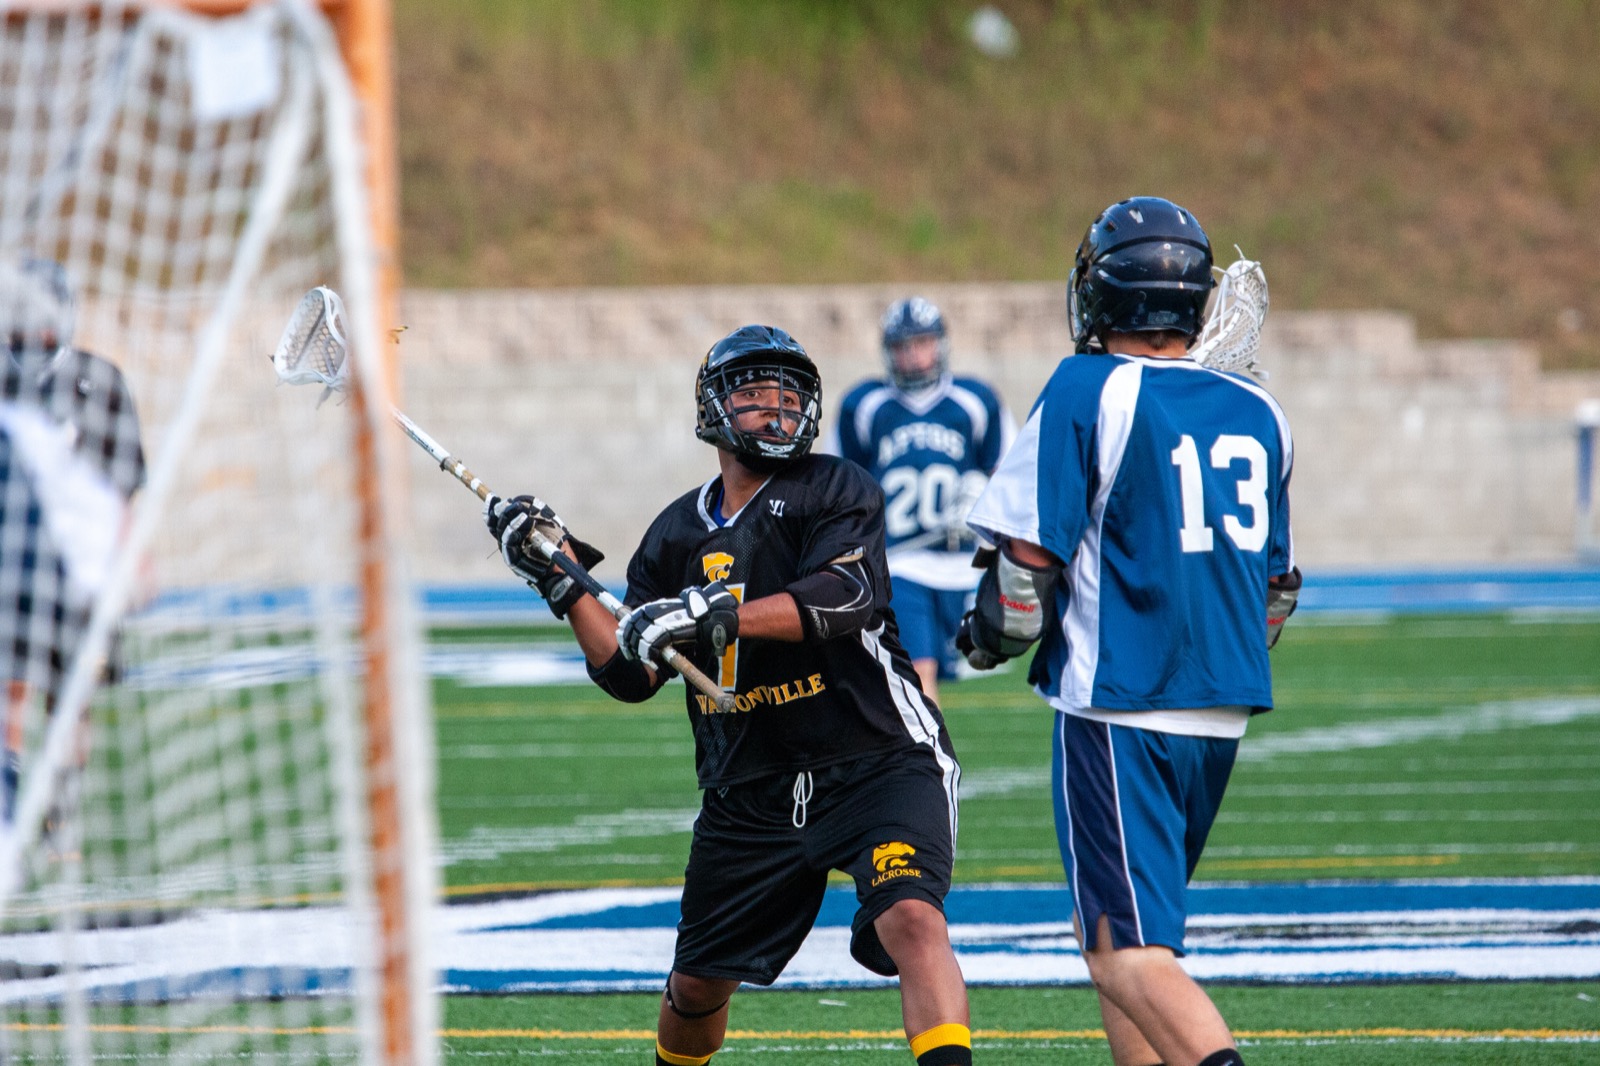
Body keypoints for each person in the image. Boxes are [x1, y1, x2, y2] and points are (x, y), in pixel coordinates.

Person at [485, 325, 974, 1066]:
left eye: (788, 394)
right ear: (714, 409)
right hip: (749, 781)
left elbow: (847, 596)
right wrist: (561, 580)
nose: (775, 410)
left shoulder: (836, 486)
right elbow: (630, 673)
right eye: (753, 395)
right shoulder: (673, 535)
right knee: (697, 985)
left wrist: (712, 615)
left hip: (876, 756)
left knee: (911, 917)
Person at [957, 197, 1301, 1066]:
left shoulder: (1086, 387)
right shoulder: (1260, 412)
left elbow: (1023, 581)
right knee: (1110, 931)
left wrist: (980, 640)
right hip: (1219, 711)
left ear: (1104, 293)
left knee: (1127, 953)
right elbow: (1276, 591)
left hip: (1121, 706)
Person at [0, 257, 145, 820]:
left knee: (73, 692)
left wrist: (126, 564)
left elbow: (124, 485)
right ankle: (10, 799)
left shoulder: (100, 382)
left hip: (81, 569)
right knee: (11, 684)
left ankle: (62, 805)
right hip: (12, 558)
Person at [832, 297, 1014, 704]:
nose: (913, 356)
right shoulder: (864, 405)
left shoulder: (975, 400)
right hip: (901, 561)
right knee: (917, 671)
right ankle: (927, 765)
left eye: (922, 343)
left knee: (944, 674)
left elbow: (1008, 472)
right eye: (902, 346)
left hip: (963, 564)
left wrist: (980, 498)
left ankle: (928, 759)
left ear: (941, 344)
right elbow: (841, 487)